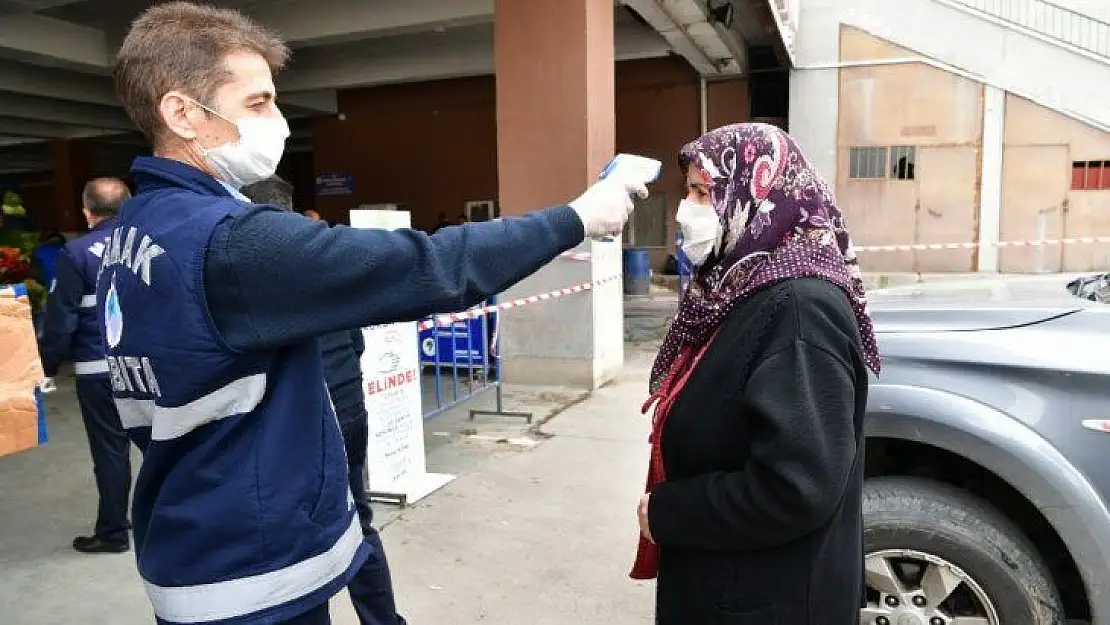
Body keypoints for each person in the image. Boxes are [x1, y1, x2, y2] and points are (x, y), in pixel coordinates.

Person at [103, 3, 645, 625]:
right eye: (257, 104)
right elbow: (434, 265)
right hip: (251, 569)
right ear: (181, 113)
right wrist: (576, 217)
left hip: (192, 533)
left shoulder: (137, 229)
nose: (277, 122)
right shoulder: (227, 242)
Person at [629, 123, 880, 625]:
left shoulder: (800, 310)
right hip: (733, 583)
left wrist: (670, 512)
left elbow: (796, 488)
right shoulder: (739, 287)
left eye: (705, 193)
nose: (687, 211)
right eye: (690, 193)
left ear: (758, 196)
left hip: (768, 599)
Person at [242, 176, 402, 625]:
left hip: (304, 420)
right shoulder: (323, 253)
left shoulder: (251, 264)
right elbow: (356, 341)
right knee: (360, 520)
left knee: (303, 538)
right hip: (349, 406)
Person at [38, 177, 135, 554]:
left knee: (111, 452)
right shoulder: (149, 247)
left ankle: (113, 533)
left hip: (99, 370)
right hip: (151, 366)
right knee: (165, 444)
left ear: (86, 211)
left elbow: (61, 319)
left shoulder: (76, 253)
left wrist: (45, 368)